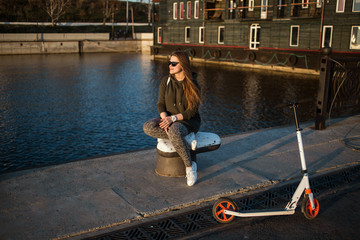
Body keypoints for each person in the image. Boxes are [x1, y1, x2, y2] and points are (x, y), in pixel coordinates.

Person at [143, 51, 201, 186]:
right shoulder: (166, 81)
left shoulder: (193, 84)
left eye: (174, 63)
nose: (170, 65)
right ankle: (185, 139)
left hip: (188, 120)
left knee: (175, 131)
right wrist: (165, 120)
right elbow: (161, 104)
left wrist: (173, 119)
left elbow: (192, 111)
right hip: (169, 118)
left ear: (183, 64)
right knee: (148, 126)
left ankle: (190, 167)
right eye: (169, 63)